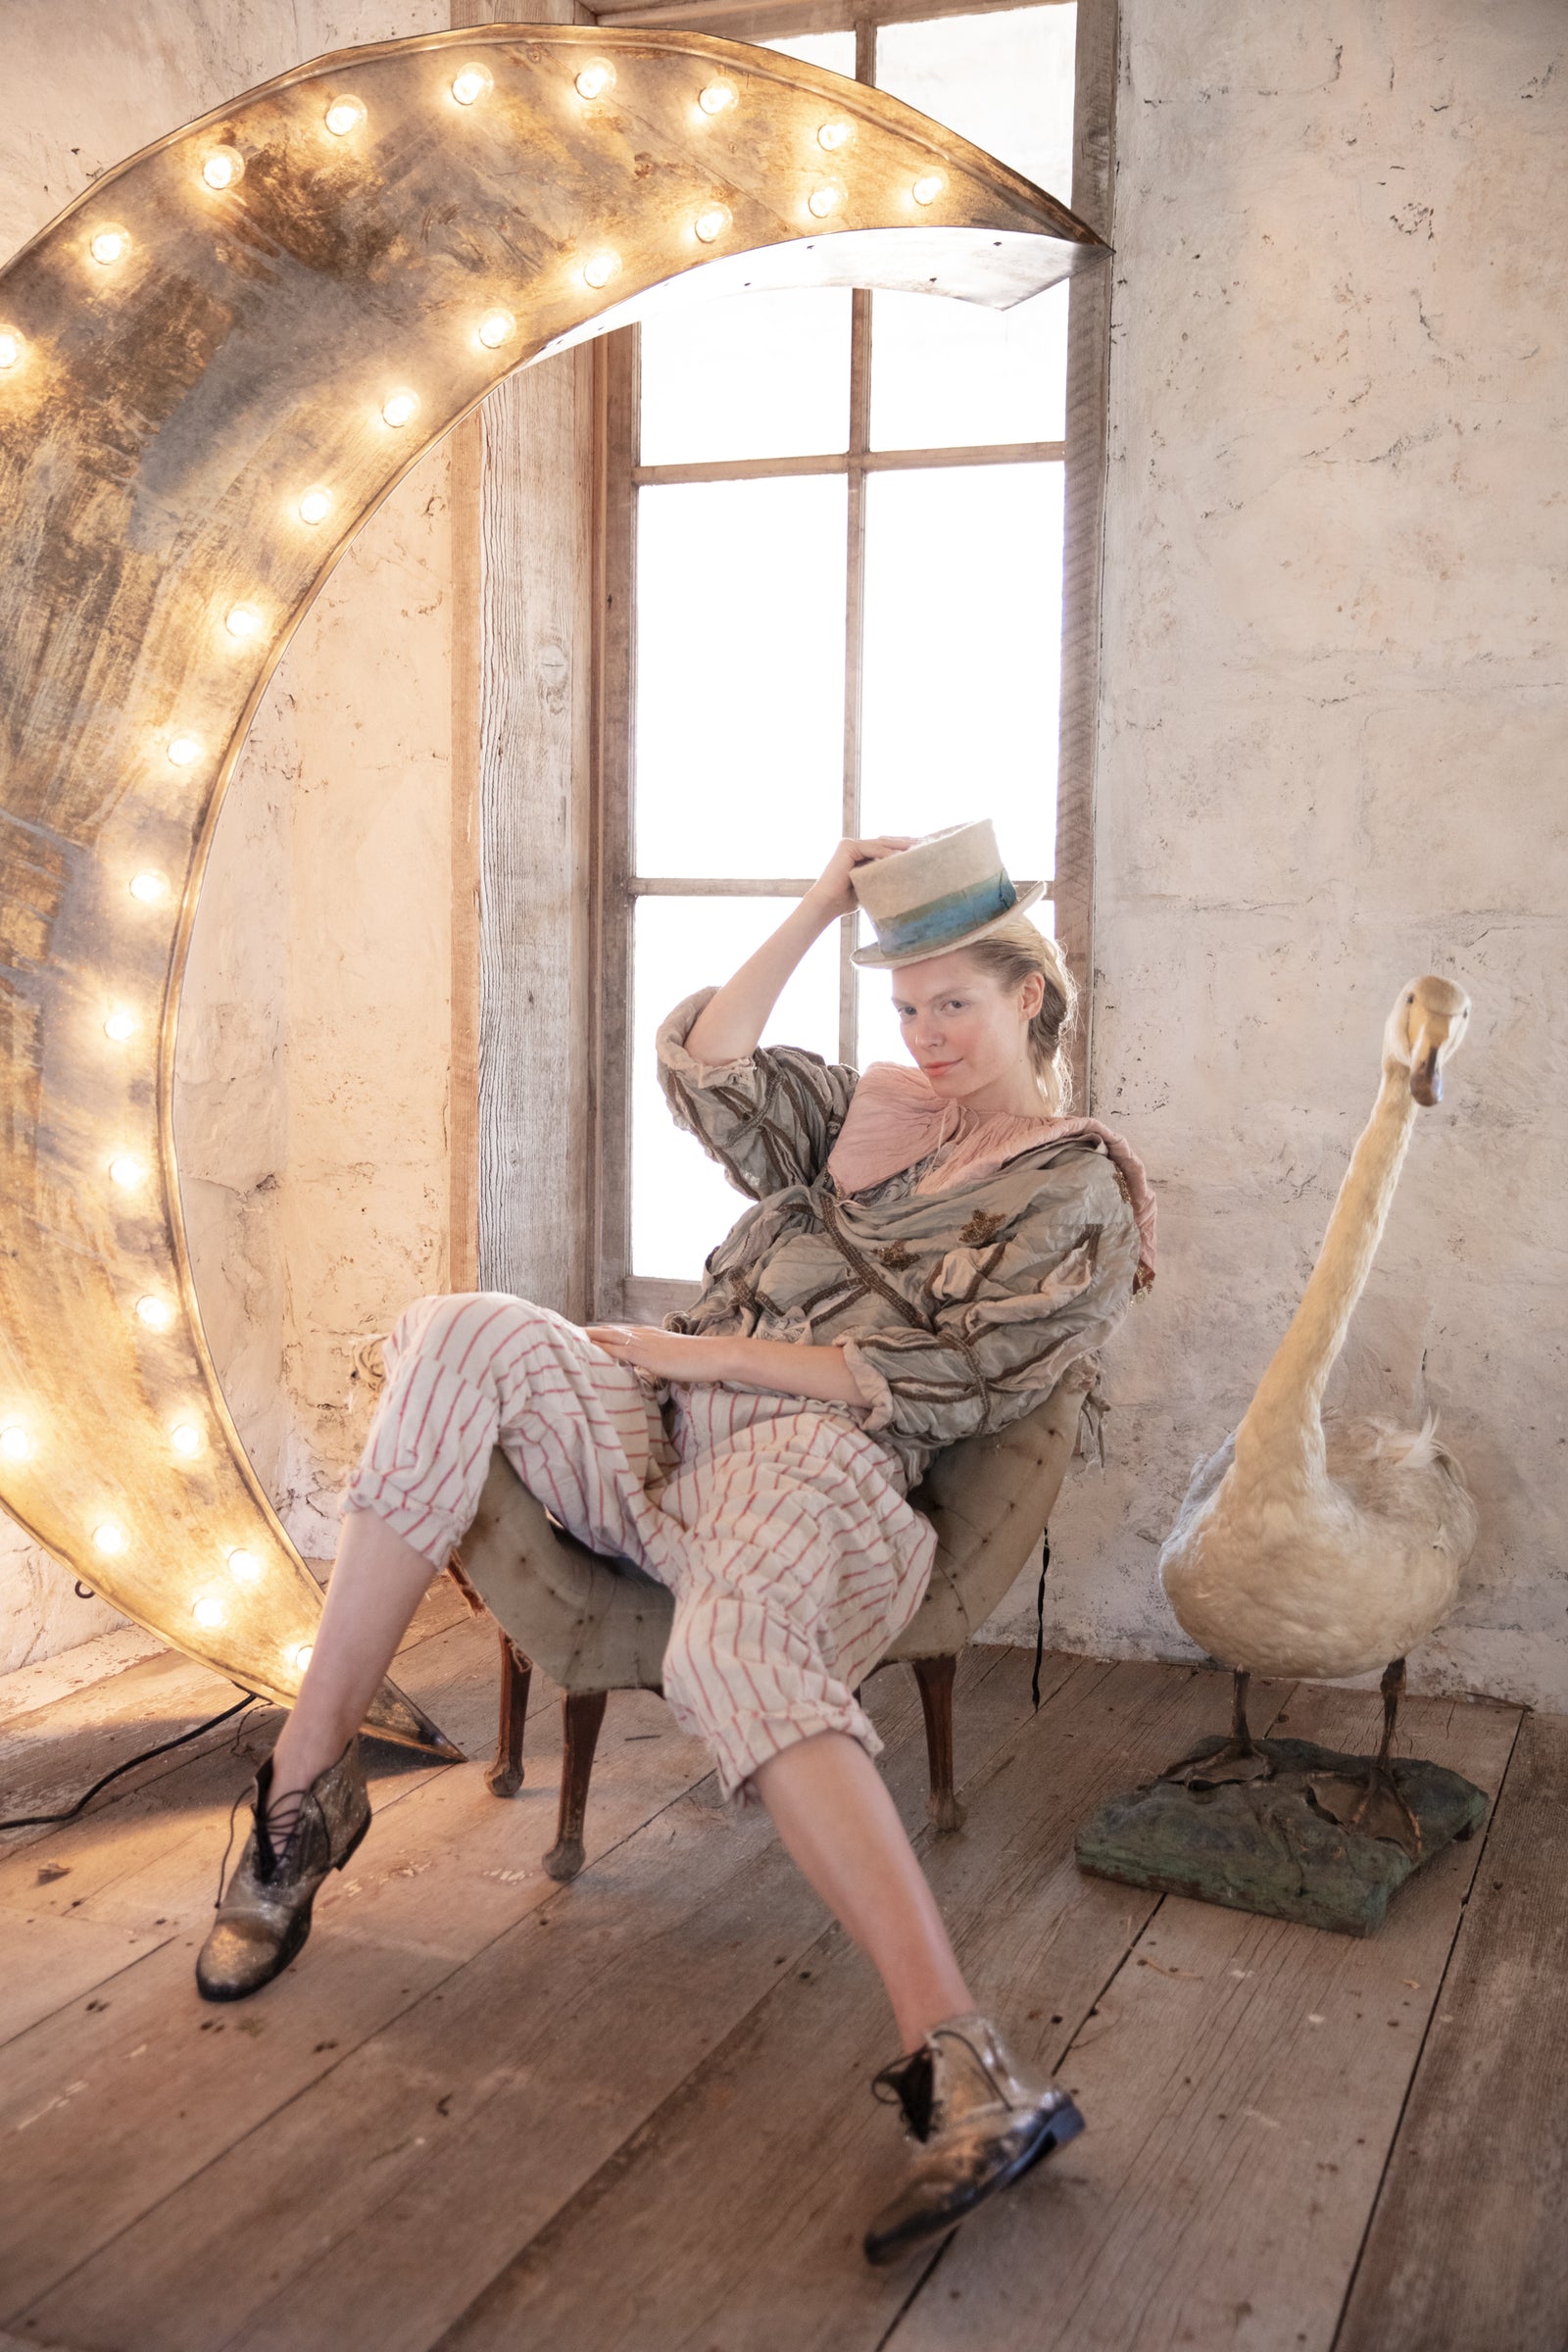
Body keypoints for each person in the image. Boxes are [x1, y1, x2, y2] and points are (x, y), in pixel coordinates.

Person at [196, 820, 1154, 2264]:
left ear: (1031, 994)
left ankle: (964, 2066)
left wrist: (706, 1357)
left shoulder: (1073, 1187)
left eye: (956, 1002)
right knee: (454, 1332)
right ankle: (303, 1797)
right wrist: (821, 902)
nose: (928, 1036)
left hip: (820, 1468)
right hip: (660, 1434)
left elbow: (957, 1380)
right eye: (907, 1005)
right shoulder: (873, 1112)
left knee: (733, 1649)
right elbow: (708, 1064)